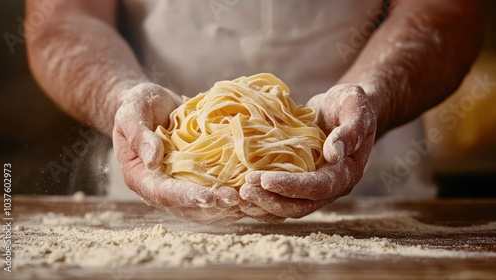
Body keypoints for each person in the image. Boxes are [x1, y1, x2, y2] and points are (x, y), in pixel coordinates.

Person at [25, 0, 483, 224]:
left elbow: (448, 12)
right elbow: (62, 17)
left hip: (371, 186)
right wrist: (119, 97)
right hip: (158, 181)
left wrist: (372, 97)